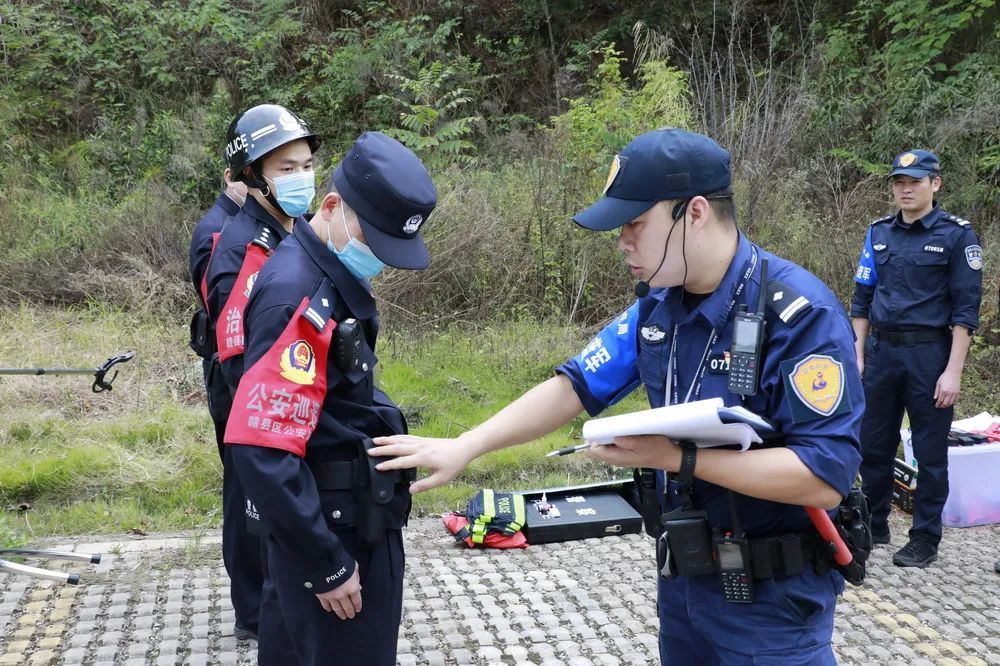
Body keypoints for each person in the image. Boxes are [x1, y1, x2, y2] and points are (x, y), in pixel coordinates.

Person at [371, 128, 865, 664]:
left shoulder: (797, 313)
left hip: (774, 608)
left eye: (635, 222)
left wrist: (675, 458)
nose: (623, 241)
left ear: (694, 213)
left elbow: (823, 478)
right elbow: (575, 386)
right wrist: (466, 445)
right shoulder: (658, 307)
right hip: (687, 589)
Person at [224, 131, 437, 666]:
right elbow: (262, 446)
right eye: (374, 240)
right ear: (333, 206)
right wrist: (326, 562)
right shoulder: (298, 294)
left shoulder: (327, 273)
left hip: (340, 517)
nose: (380, 259)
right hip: (330, 530)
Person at [204, 102, 321, 639]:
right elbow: (236, 351)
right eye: (285, 169)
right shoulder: (245, 246)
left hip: (284, 388)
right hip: (249, 395)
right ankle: (256, 614)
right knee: (253, 497)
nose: (301, 178)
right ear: (252, 177)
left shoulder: (290, 225)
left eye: (305, 165)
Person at [851, 149, 983, 568]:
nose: (905, 189)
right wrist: (857, 353)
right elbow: (861, 296)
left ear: (935, 184)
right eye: (899, 182)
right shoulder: (878, 233)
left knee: (929, 453)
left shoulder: (957, 236)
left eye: (915, 181)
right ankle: (874, 522)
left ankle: (924, 536)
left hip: (930, 355)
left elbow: (966, 310)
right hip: (881, 353)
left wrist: (953, 371)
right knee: (872, 445)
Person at [189, 168, 246, 461]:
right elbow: (224, 311)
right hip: (231, 364)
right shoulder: (218, 230)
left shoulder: (246, 222)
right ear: (228, 176)